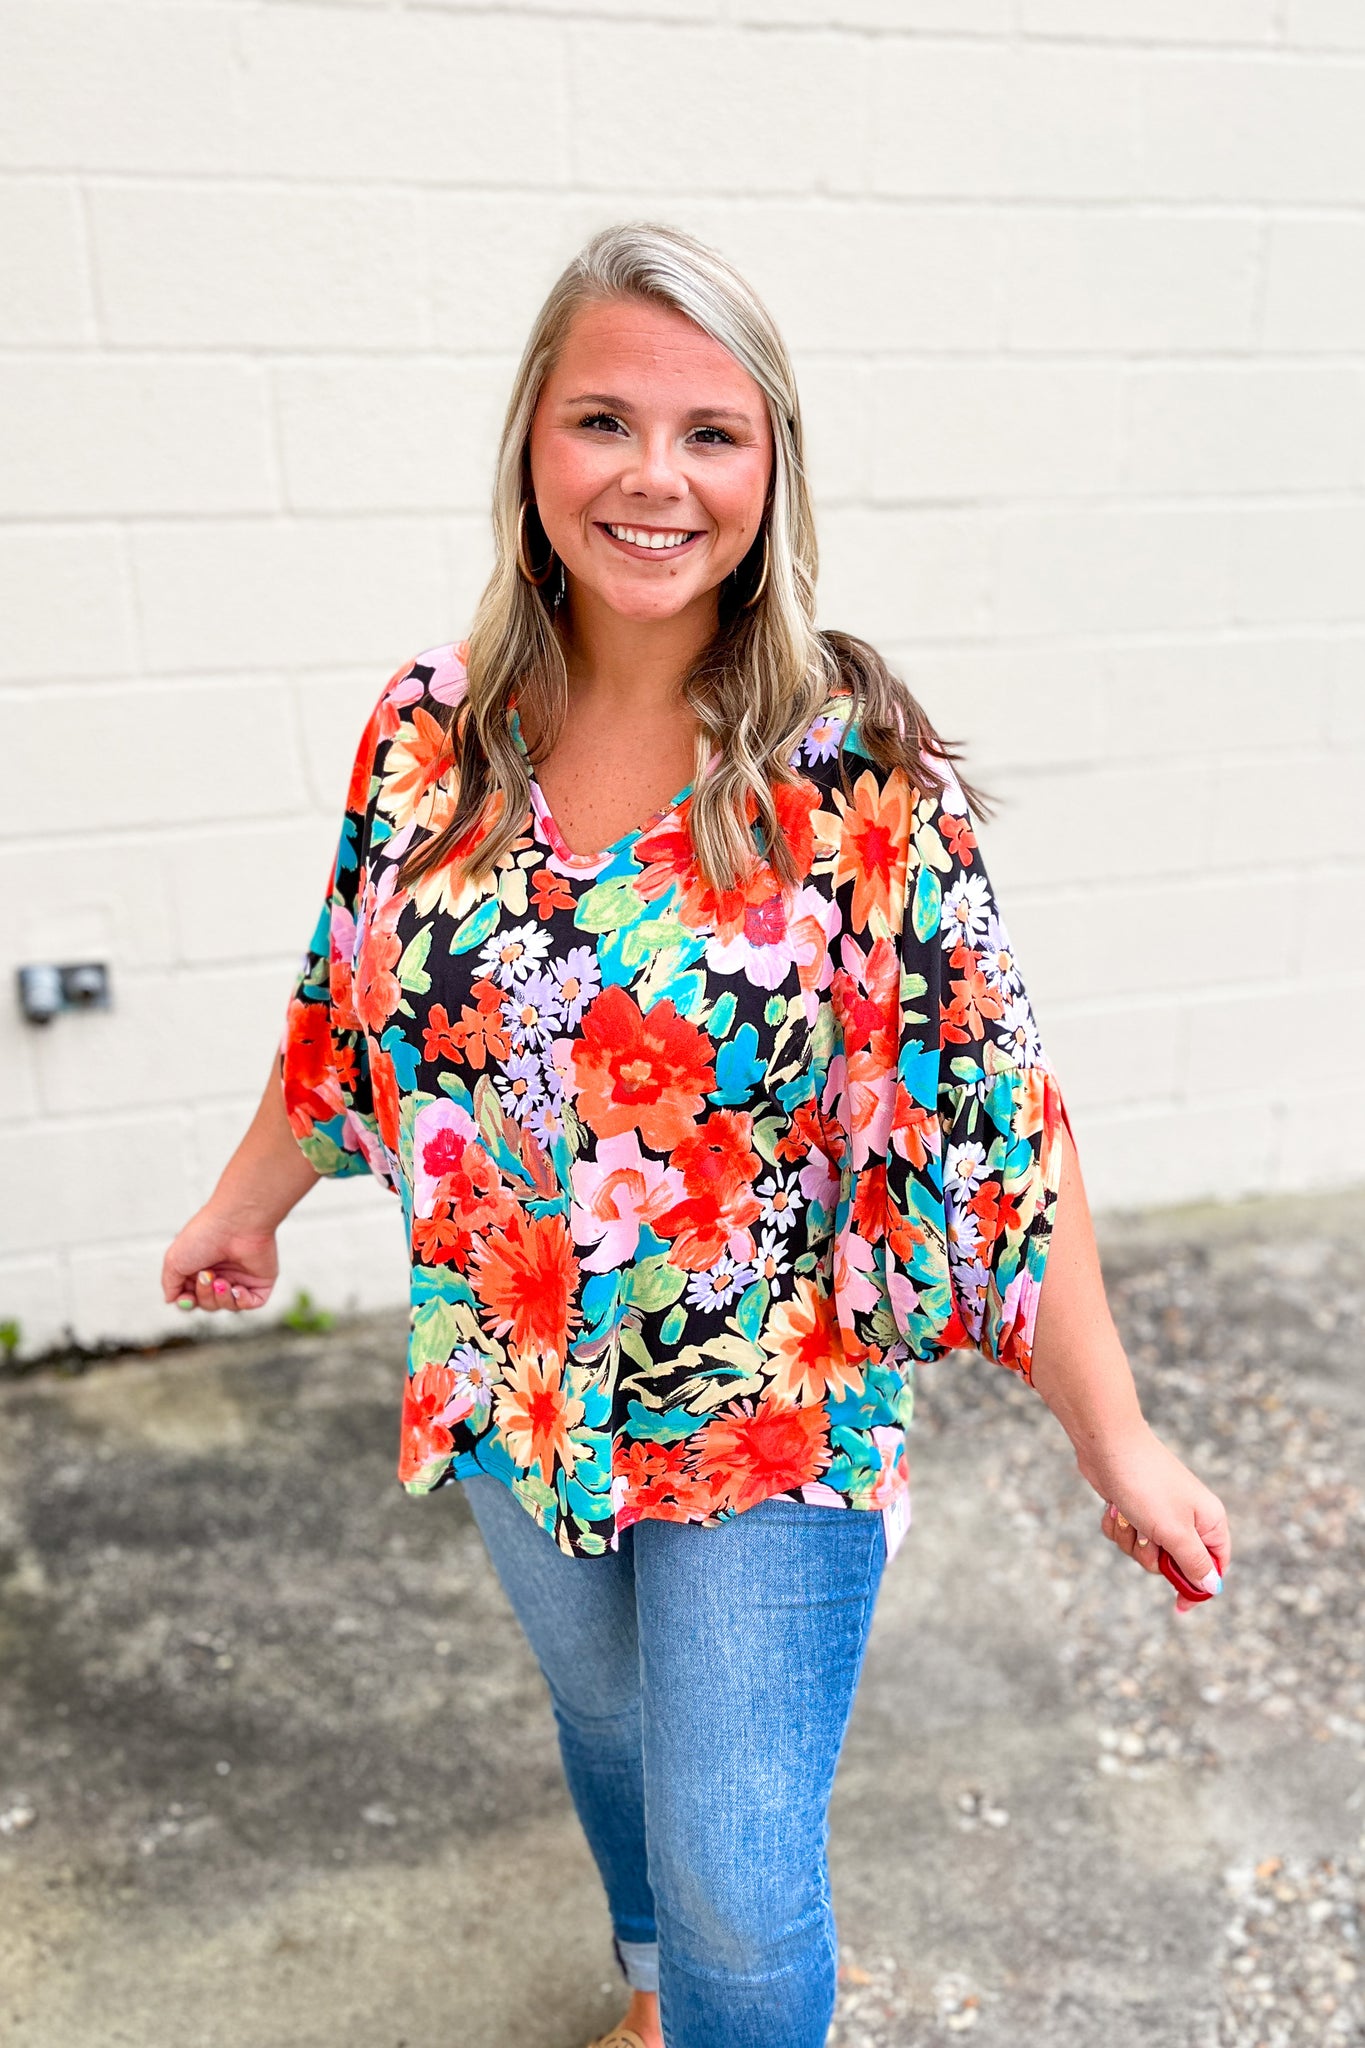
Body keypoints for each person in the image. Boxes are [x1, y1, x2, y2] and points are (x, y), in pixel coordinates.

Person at [161, 221, 1231, 2048]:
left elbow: (995, 1107)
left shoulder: (851, 768)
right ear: (531, 447)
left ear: (770, 469)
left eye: (710, 434)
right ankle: (658, 1997)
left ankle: (715, 1988)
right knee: (611, 1731)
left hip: (771, 1401)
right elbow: (352, 1004)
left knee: (741, 1853)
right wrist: (242, 1207)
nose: (654, 478)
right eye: (603, 420)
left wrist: (1109, 1430)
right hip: (510, 1378)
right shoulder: (430, 729)